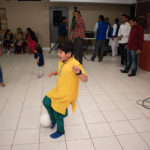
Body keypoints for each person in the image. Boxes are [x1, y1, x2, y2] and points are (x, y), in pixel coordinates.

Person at [43, 40, 88, 139]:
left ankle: (60, 130)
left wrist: (79, 73)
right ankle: (53, 119)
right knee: (46, 101)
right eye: (58, 52)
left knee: (58, 111)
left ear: (69, 54)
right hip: (59, 90)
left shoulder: (75, 64)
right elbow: (62, 71)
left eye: (60, 52)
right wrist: (55, 73)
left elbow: (85, 79)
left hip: (67, 93)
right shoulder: (62, 61)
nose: (58, 54)